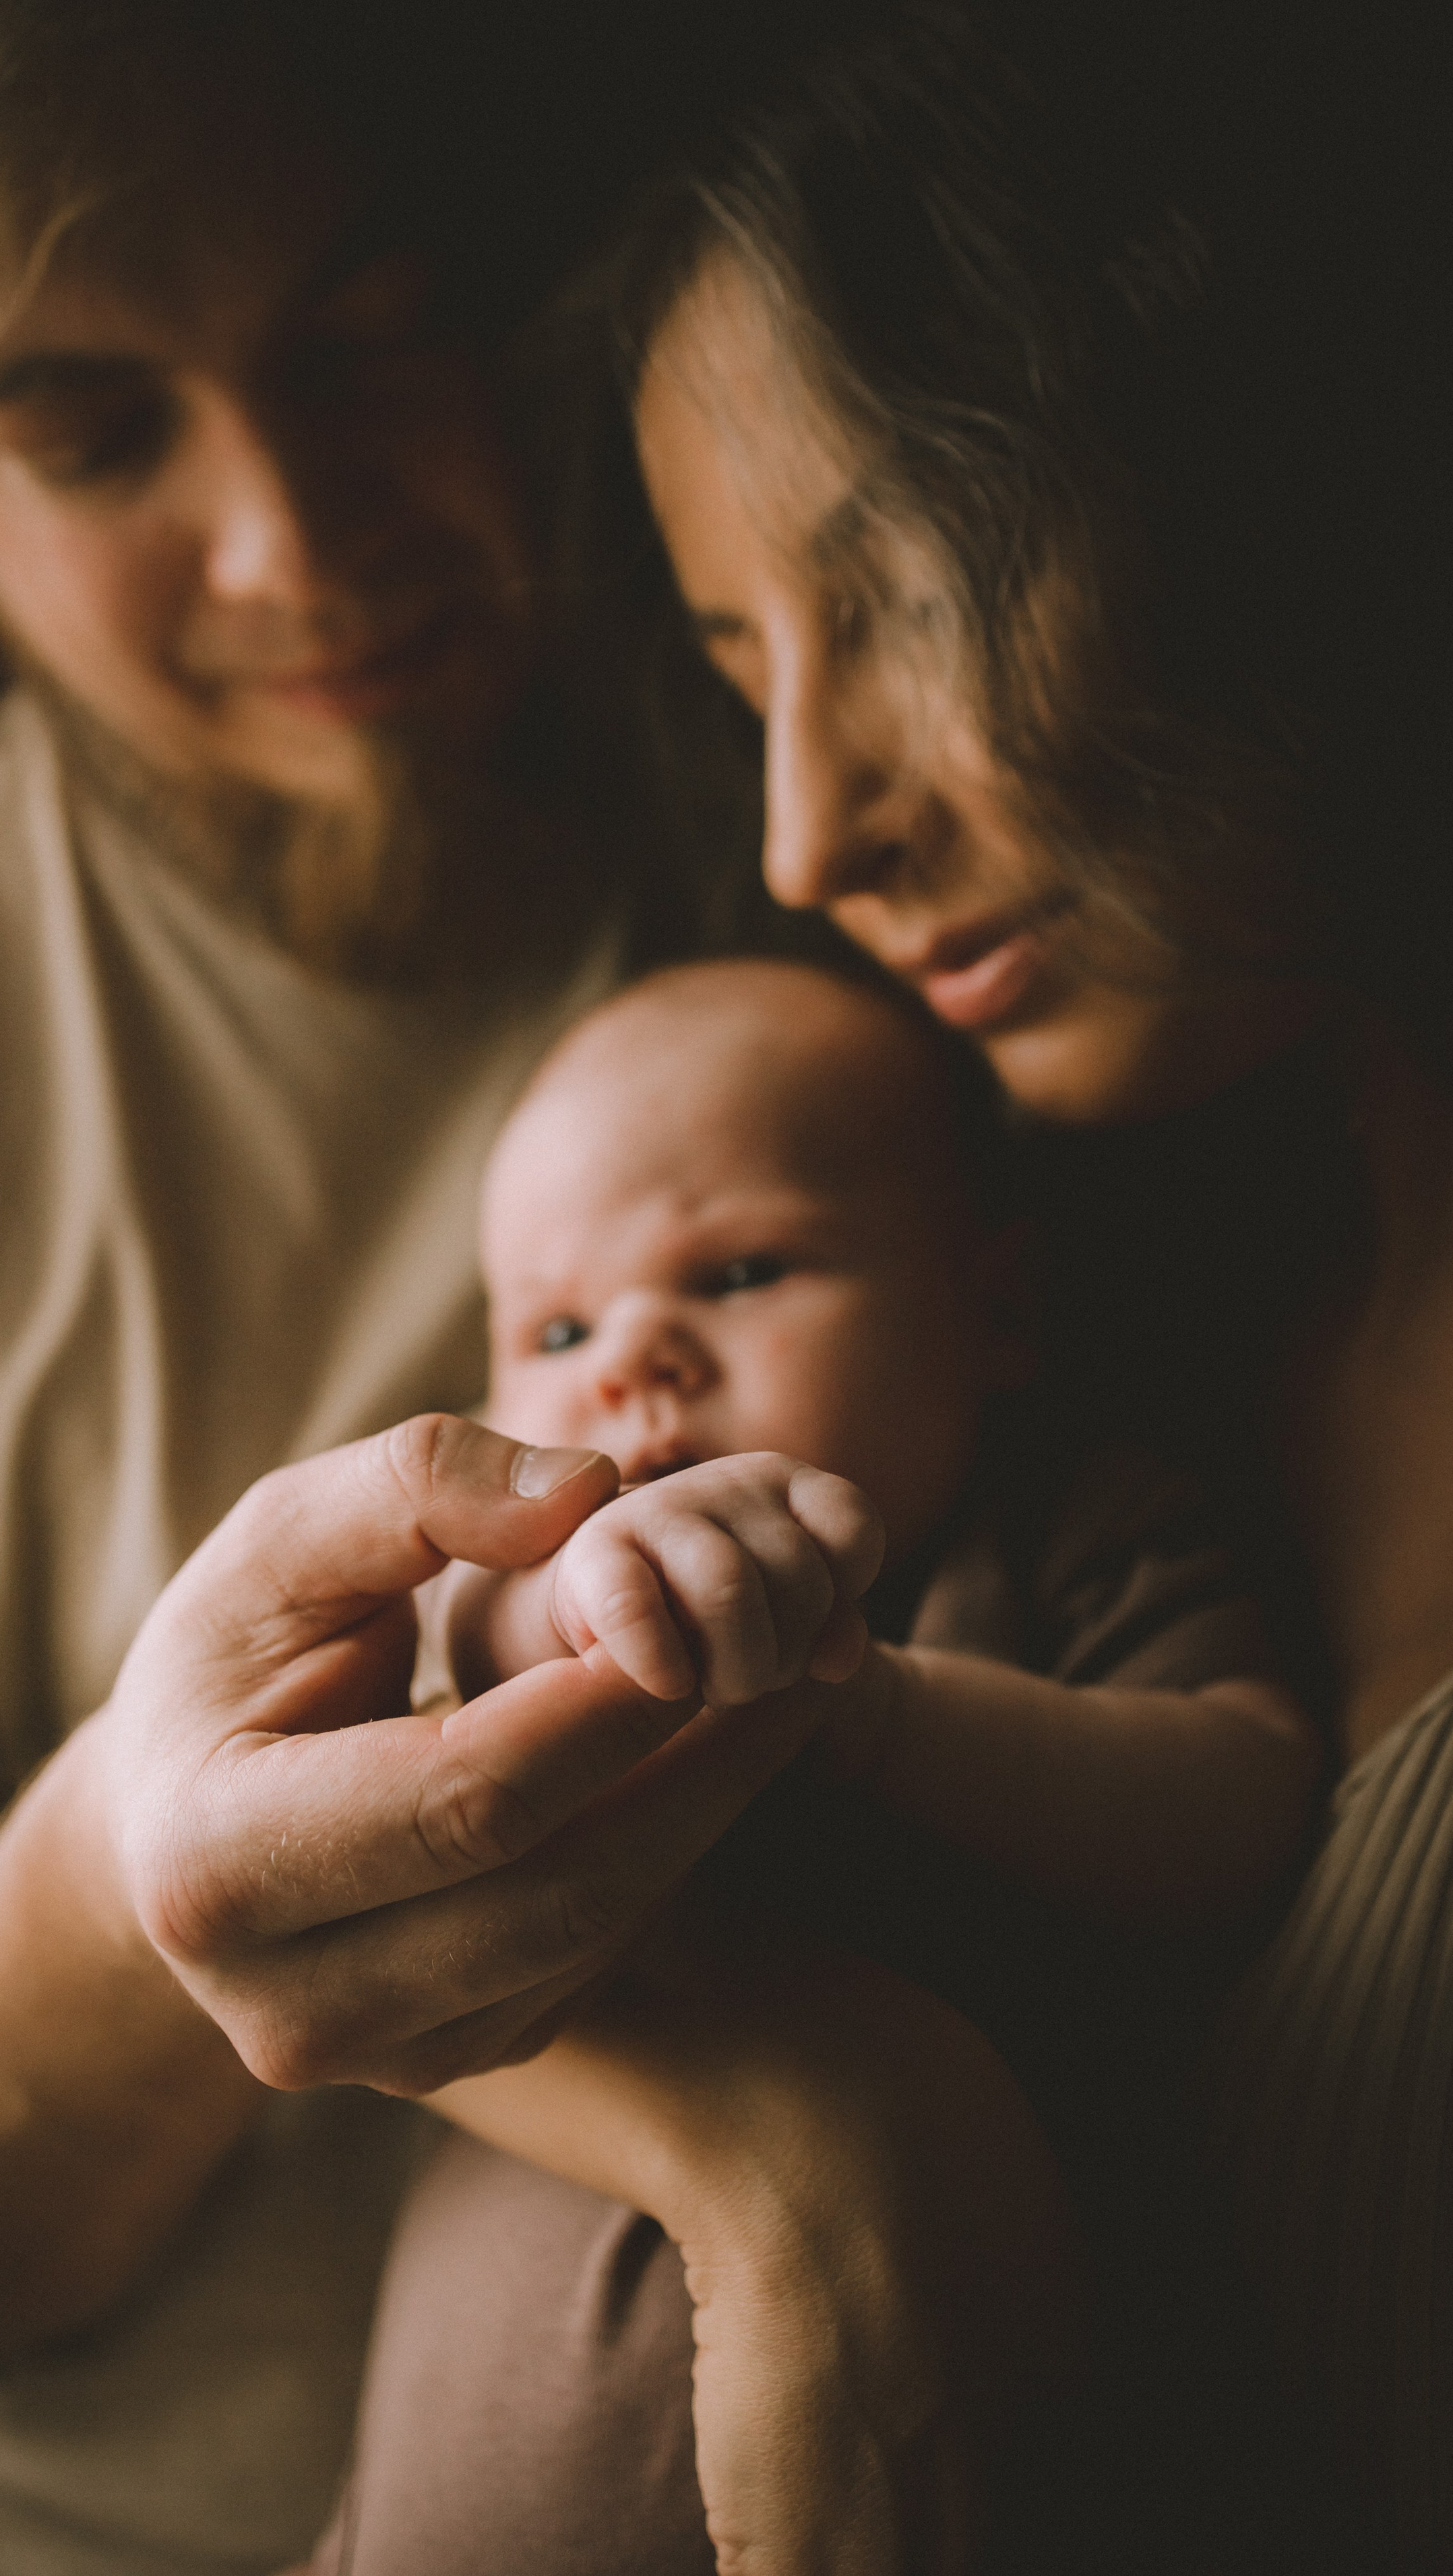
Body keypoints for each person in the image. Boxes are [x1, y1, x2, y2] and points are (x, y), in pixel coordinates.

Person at [175, 7, 1439, 2571]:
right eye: (745, 670)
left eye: (897, 594)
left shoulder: (1046, 1470)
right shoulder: (1152, 1215)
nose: (803, 831)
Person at [0, 0, 880, 2571]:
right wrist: (149, 1872)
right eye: (89, 429)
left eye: (375, 342)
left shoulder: (870, 805)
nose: (291, 544)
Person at [304, 951, 1320, 2573]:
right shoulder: (519, 1606)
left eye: (740, 1269)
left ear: (996, 1308)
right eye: (557, 1325)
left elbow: (1240, 1803)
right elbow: (441, 1716)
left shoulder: (1068, 1522)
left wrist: (882, 1713)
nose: (632, 1360)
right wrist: (577, 1607)